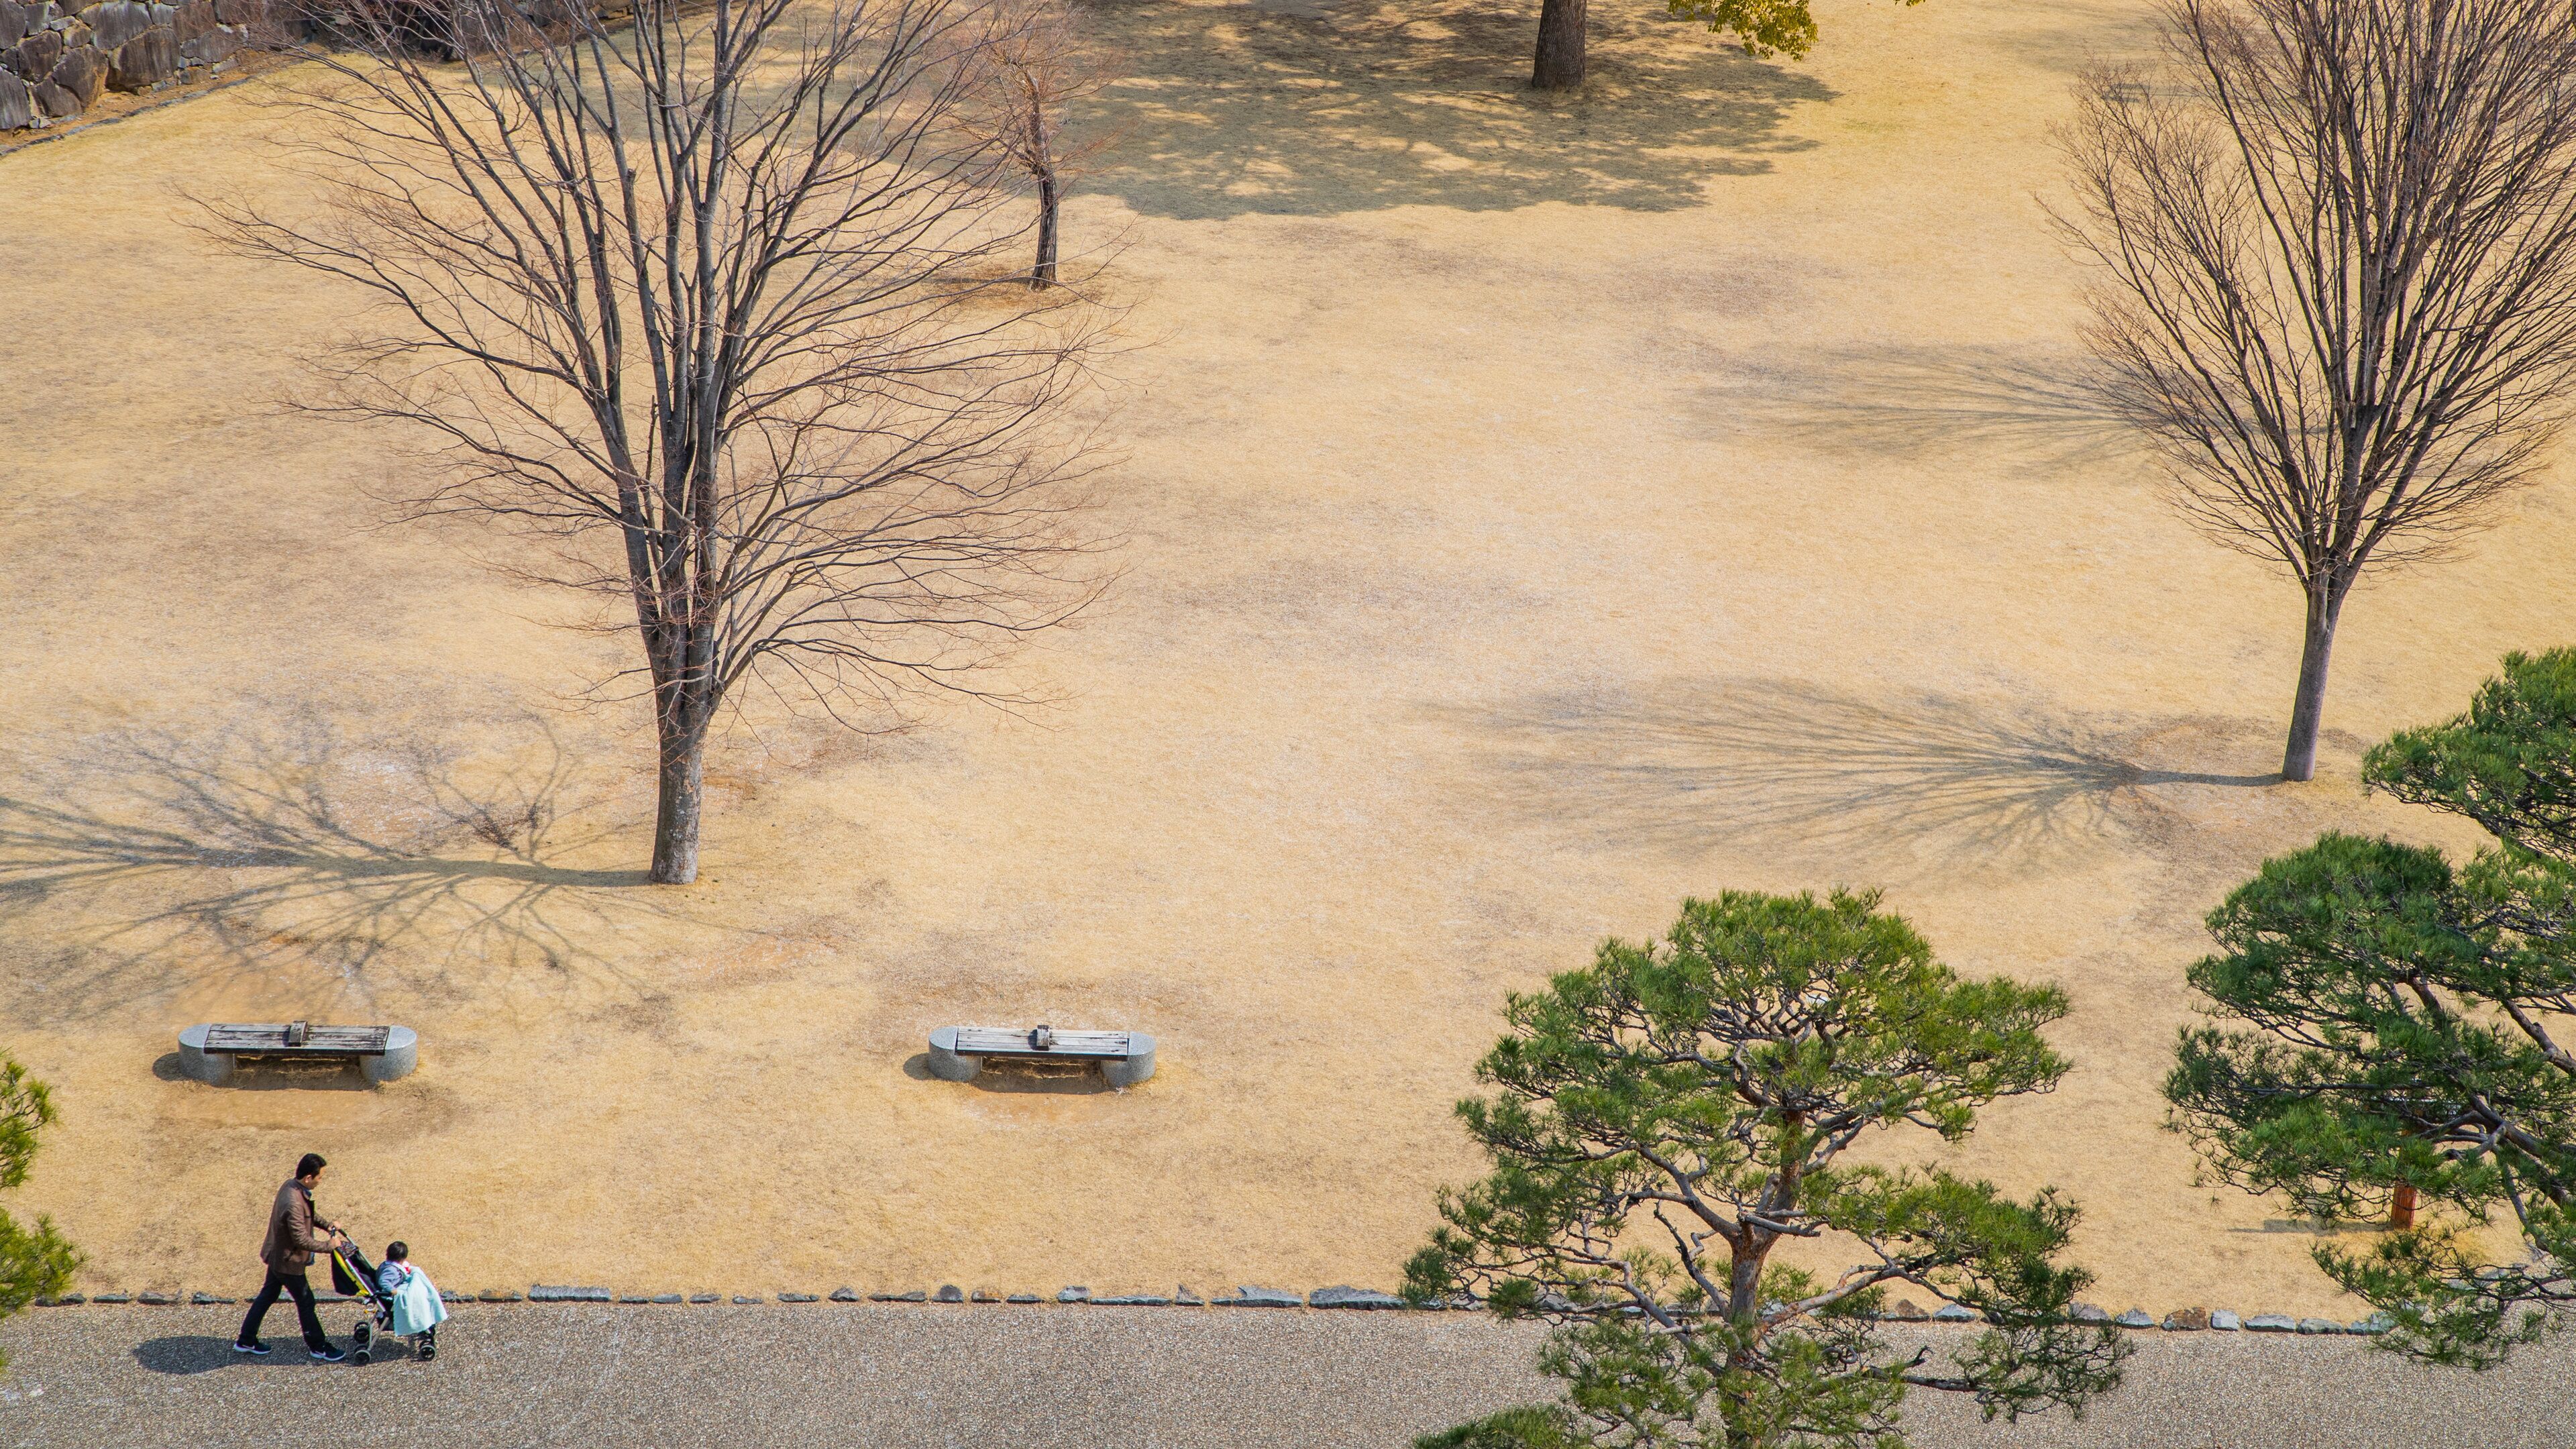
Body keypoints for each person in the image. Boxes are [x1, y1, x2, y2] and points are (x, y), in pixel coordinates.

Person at [235, 1152, 350, 1361]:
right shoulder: (294, 1203)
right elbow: (301, 1240)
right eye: (320, 1177)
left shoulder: (292, 1187)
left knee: (267, 1296)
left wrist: (327, 1225)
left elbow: (309, 1214)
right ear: (308, 1178)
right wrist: (329, 1246)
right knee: (306, 1301)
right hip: (288, 1262)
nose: (320, 1181)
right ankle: (318, 1346)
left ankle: (246, 1339)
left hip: (278, 1257)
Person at [376, 1240, 446, 1360]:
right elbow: (384, 1281)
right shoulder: (391, 1270)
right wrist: (393, 1290)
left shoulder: (387, 1265)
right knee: (421, 1295)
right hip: (390, 1297)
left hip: (396, 1288)